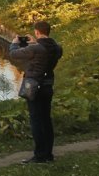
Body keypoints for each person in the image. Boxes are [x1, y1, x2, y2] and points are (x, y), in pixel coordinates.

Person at [8, 20, 64, 163]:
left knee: (36, 121)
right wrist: (34, 43)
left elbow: (14, 54)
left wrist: (14, 43)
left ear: (37, 32)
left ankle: (39, 155)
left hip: (33, 87)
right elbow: (44, 57)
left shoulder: (36, 49)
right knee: (46, 120)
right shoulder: (57, 48)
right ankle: (48, 154)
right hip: (47, 86)